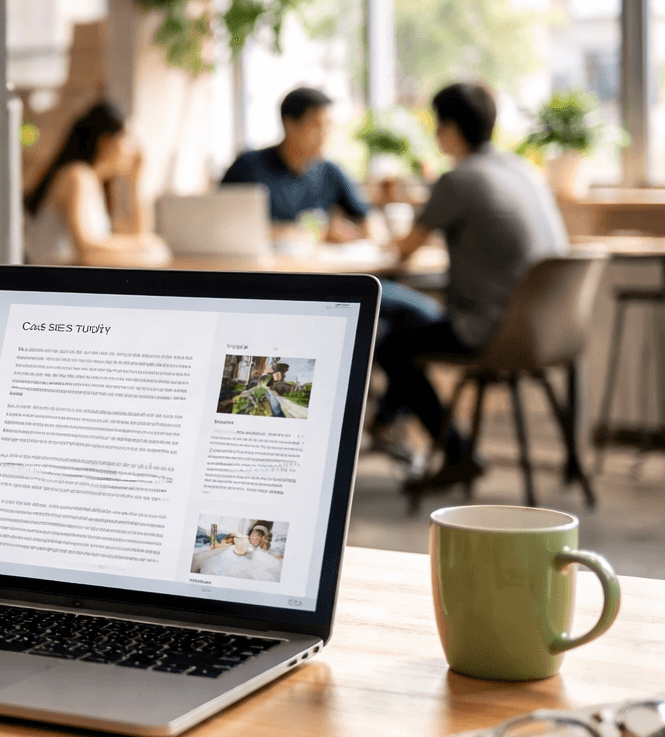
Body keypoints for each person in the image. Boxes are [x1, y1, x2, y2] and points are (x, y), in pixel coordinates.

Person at [380, 81, 569, 489]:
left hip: (490, 331)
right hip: (549, 329)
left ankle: (455, 452)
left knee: (390, 343)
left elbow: (404, 251)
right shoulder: (523, 170)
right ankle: (388, 423)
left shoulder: (458, 180)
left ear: (448, 129)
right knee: (405, 314)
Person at [22, 101, 170, 267]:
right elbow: (87, 251)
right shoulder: (76, 176)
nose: (134, 148)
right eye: (128, 138)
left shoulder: (94, 184)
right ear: (106, 141)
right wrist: (144, 246)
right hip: (53, 278)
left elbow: (137, 233)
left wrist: (136, 182)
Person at [220, 87, 373, 241]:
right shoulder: (247, 168)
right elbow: (220, 227)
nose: (325, 134)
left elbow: (370, 222)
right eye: (317, 125)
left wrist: (348, 233)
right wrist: (290, 232)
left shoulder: (331, 172)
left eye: (329, 125)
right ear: (290, 126)